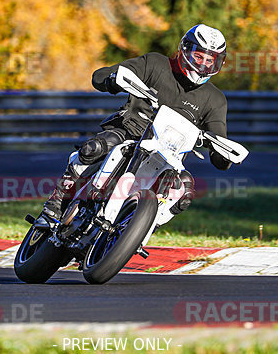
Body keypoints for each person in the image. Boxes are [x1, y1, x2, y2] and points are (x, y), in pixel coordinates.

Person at [41, 24, 233, 221]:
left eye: (210, 60)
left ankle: (141, 229)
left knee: (184, 190)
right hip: (129, 132)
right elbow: (102, 75)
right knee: (95, 148)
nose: (203, 65)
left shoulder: (215, 99)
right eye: (198, 56)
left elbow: (220, 145)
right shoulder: (155, 63)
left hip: (168, 157)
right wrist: (111, 79)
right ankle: (56, 203)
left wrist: (223, 155)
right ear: (184, 50)